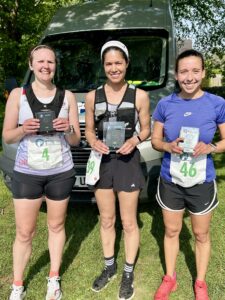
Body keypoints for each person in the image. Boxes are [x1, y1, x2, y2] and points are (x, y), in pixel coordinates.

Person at [2, 44, 80, 300]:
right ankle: (17, 284)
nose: (46, 66)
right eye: (41, 61)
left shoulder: (67, 96)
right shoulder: (18, 94)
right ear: (31, 64)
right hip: (27, 173)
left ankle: (53, 279)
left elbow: (76, 140)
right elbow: (7, 136)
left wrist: (67, 128)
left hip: (61, 172)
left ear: (56, 66)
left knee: (56, 225)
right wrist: (24, 128)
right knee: (25, 232)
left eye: (51, 62)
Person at [151, 49, 225, 300]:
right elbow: (155, 140)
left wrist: (212, 147)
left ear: (203, 73)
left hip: (201, 180)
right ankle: (170, 277)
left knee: (201, 234)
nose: (190, 77)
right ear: (176, 74)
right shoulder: (165, 104)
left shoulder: (217, 104)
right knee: (171, 231)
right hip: (171, 180)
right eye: (184, 71)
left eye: (195, 71)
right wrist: (168, 146)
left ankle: (200, 282)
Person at [85, 40, 150, 300]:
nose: (114, 68)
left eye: (118, 63)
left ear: (126, 63)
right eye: (109, 63)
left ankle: (127, 273)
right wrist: (93, 141)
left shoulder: (139, 96)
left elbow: (145, 128)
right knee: (107, 219)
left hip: (127, 162)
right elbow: (89, 129)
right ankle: (109, 267)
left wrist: (134, 140)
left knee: (129, 221)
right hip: (102, 162)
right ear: (103, 65)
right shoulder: (93, 96)